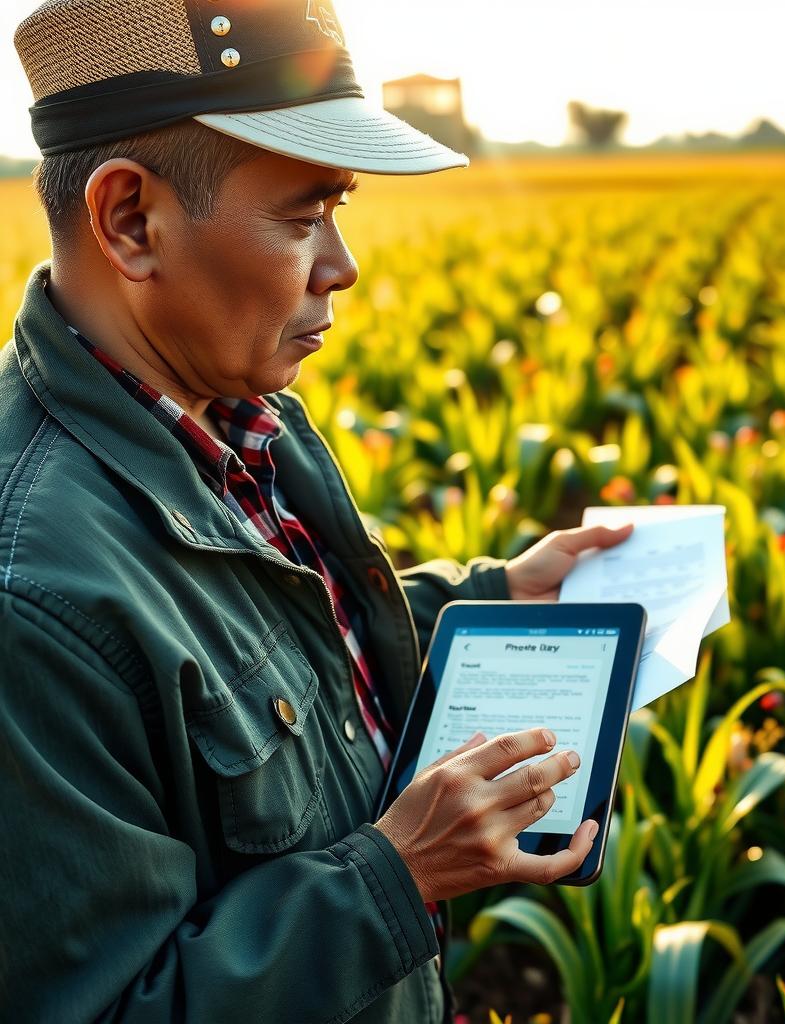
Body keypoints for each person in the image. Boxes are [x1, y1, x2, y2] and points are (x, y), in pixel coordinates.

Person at [0, 1, 634, 1021]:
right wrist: (393, 874)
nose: (341, 263)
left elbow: (257, 650)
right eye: (302, 217)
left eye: (339, 212)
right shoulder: (33, 598)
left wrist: (492, 596)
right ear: (129, 221)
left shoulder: (238, 417)